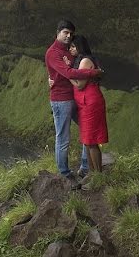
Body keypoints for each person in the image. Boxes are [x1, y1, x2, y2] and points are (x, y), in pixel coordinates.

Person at [45, 20, 102, 181]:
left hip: (77, 97)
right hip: (61, 100)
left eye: (70, 33)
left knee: (87, 132)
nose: (69, 36)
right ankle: (64, 173)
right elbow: (69, 72)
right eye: (65, 33)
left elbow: (82, 60)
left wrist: (51, 77)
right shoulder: (53, 52)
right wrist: (95, 72)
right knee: (63, 138)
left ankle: (85, 167)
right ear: (58, 32)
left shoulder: (71, 50)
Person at [68, 35, 108, 180]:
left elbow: (80, 84)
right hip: (85, 103)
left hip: (89, 102)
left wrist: (68, 74)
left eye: (73, 46)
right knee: (88, 140)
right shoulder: (81, 59)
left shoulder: (85, 61)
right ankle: (94, 174)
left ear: (80, 47)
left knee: (91, 141)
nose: (70, 49)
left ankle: (98, 175)